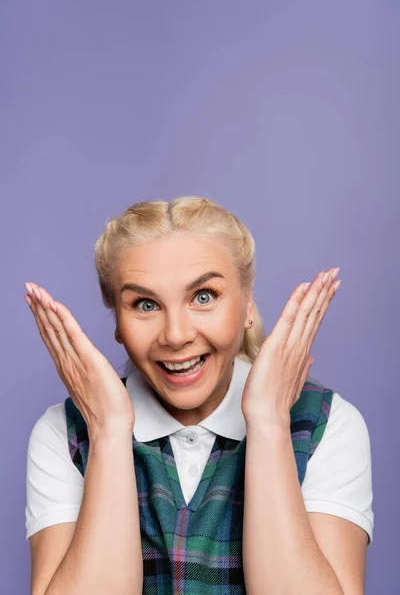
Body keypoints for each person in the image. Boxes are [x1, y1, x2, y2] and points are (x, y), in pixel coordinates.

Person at [24, 196, 373, 594]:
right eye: (146, 304)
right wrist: (107, 431)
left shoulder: (326, 424)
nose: (176, 335)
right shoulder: (64, 432)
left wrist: (270, 423)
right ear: (117, 322)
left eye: (203, 297)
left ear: (246, 305)